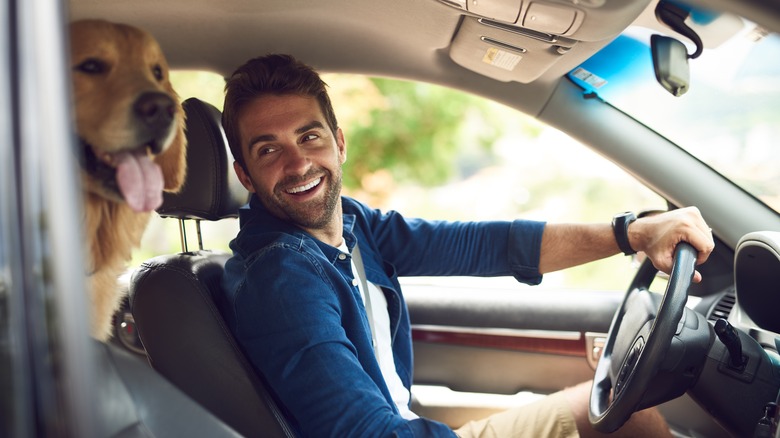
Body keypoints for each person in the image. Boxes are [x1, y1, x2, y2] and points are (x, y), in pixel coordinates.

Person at [218, 54, 715, 438]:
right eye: (268, 149)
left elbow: (486, 245)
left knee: (631, 416)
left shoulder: (351, 226)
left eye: (309, 137)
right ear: (244, 174)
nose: (298, 163)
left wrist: (631, 232)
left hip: (405, 423)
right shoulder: (280, 278)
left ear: (339, 141)